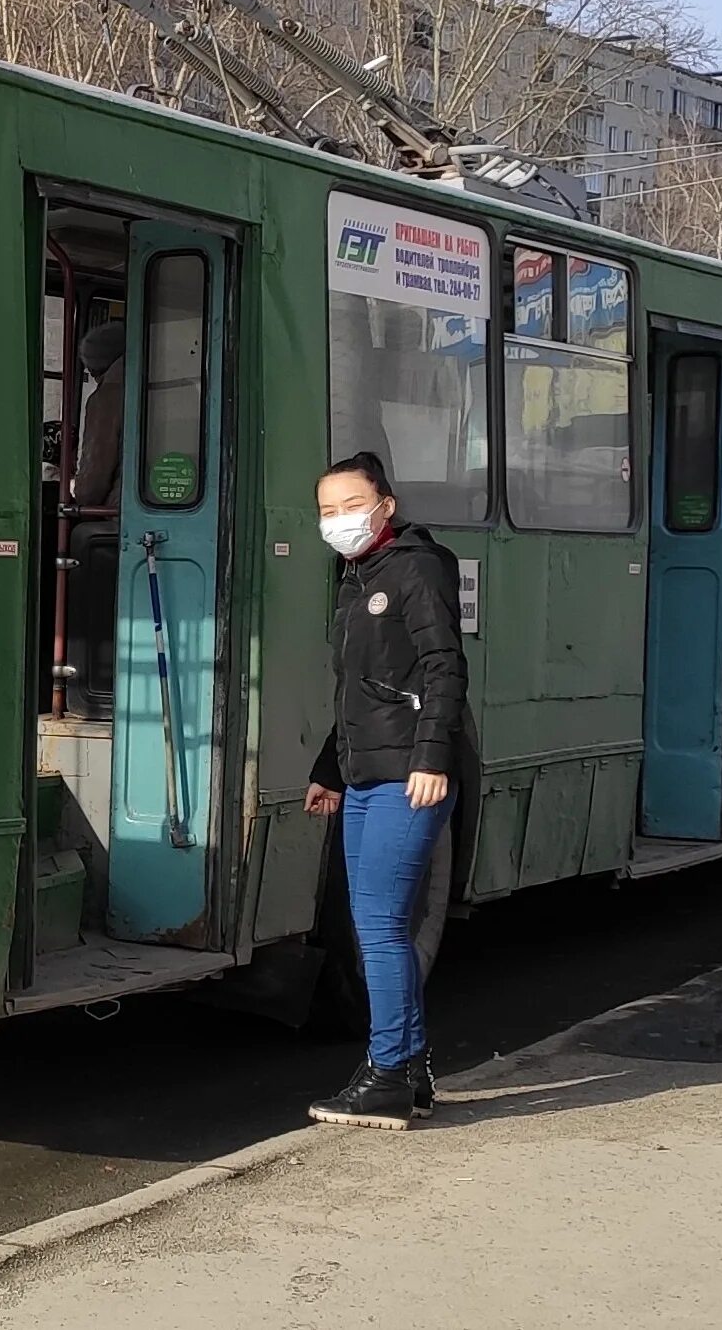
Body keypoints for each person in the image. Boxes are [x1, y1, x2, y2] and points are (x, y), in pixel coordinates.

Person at [302, 451, 467, 1131]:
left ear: (385, 505)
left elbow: (442, 669)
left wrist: (432, 759)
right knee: (380, 927)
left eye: (351, 506)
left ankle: (388, 1073)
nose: (339, 521)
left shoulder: (414, 569)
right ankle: (412, 1068)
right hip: (368, 775)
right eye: (326, 511)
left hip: (410, 776)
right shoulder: (354, 578)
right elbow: (360, 694)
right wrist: (329, 769)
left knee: (377, 928)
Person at [71, 321, 127, 510]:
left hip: (122, 512)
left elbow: (92, 486)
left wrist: (80, 494)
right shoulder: (184, 389)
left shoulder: (108, 397)